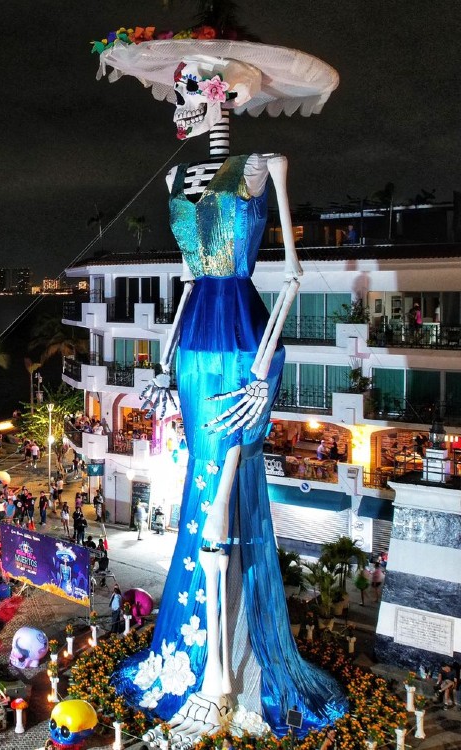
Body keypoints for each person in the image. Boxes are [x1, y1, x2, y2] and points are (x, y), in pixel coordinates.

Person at [111, 36, 346, 731]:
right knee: (201, 480)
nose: (179, 104)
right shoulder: (174, 183)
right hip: (194, 351)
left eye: (190, 88)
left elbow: (295, 275)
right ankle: (204, 662)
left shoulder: (265, 164)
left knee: (225, 481)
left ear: (221, 93)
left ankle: (223, 678)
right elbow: (186, 281)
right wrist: (159, 360)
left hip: (243, 338)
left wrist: (263, 370)